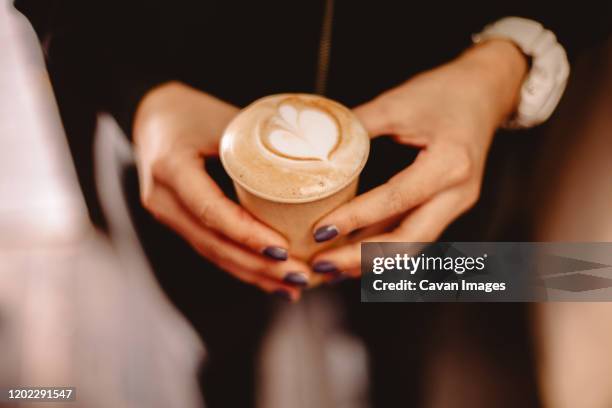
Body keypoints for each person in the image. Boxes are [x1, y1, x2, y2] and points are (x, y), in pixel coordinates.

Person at [15, 1, 611, 407]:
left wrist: (507, 59)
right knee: (219, 329)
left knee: (405, 340)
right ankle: (228, 375)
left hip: (429, 154)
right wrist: (135, 92)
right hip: (195, 151)